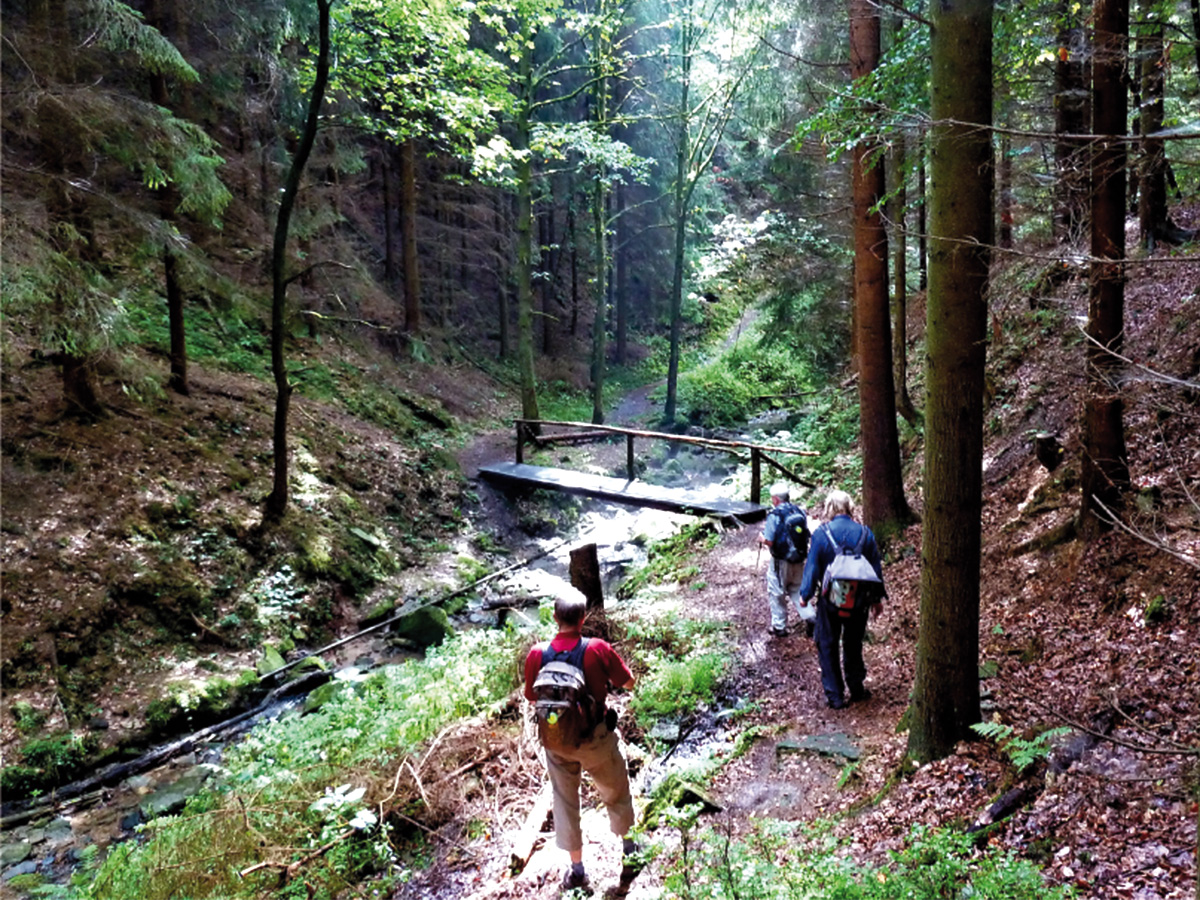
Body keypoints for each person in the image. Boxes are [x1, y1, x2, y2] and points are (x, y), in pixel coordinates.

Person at [523, 589, 638, 892]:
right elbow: (628, 682)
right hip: (595, 738)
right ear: (583, 619)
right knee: (616, 792)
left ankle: (577, 872)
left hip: (556, 741)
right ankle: (630, 854)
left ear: (554, 617)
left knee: (564, 802)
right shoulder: (596, 648)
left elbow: (532, 696)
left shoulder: (537, 654)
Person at [799, 489, 885, 709]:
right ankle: (856, 688)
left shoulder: (821, 534)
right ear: (849, 507)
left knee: (827, 643)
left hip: (830, 601)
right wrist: (876, 600)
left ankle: (835, 696)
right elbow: (875, 569)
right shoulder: (865, 534)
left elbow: (812, 567)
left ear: (829, 508)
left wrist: (805, 595)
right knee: (853, 643)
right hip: (859, 601)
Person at [758, 482, 811, 638]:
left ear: (775, 499)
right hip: (799, 558)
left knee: (776, 591)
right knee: (797, 588)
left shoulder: (775, 515)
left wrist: (761, 539)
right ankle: (810, 616)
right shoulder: (799, 511)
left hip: (780, 562)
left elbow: (769, 540)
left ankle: (779, 626)